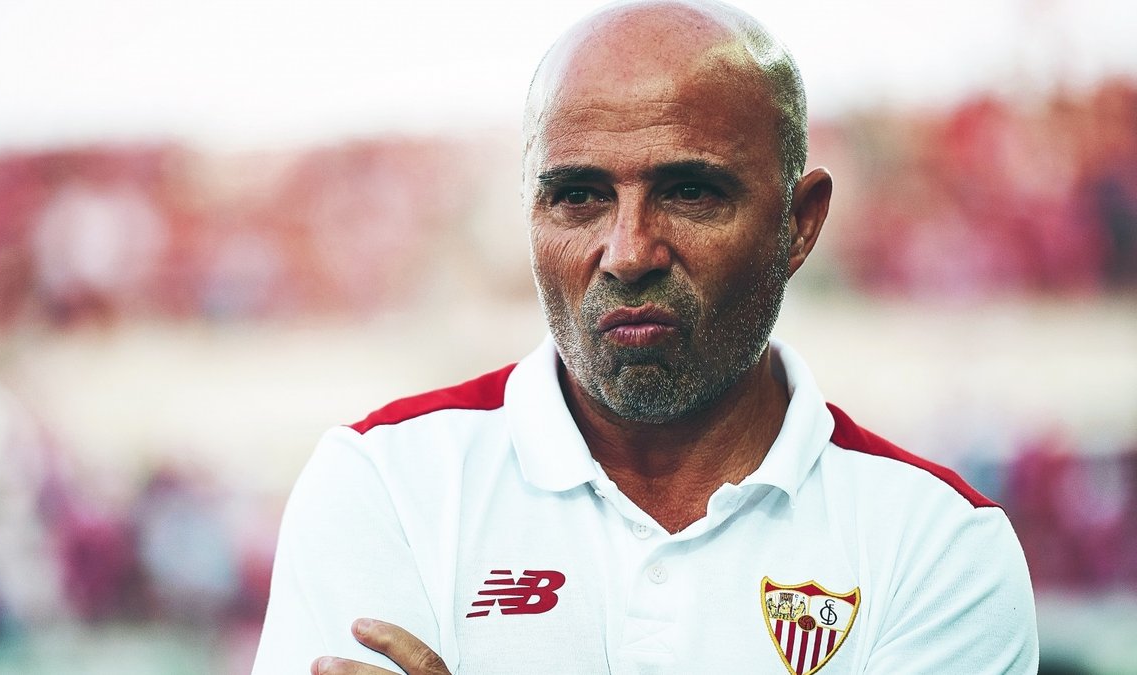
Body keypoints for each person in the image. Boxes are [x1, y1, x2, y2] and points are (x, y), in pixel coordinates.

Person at [253, 1, 1040, 673]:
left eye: (690, 191)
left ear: (799, 224)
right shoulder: (384, 486)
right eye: (579, 196)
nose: (628, 252)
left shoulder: (940, 546)